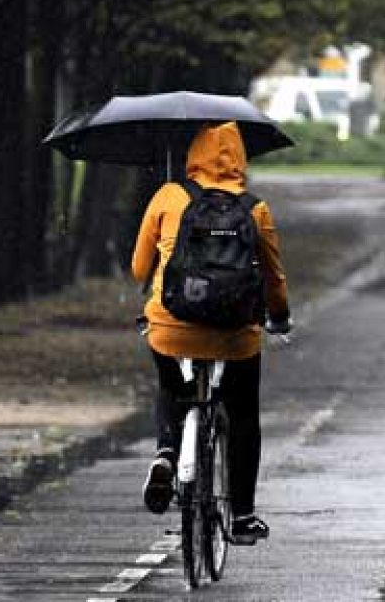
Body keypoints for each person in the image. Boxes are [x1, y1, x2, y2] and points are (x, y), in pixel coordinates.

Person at [130, 122, 290, 542]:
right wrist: (279, 317)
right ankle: (242, 516)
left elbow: (138, 269)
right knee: (243, 413)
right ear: (240, 158)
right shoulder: (255, 208)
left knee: (170, 385)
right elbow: (273, 277)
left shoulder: (169, 196)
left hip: (171, 326)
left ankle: (167, 453)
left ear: (193, 153)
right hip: (235, 336)